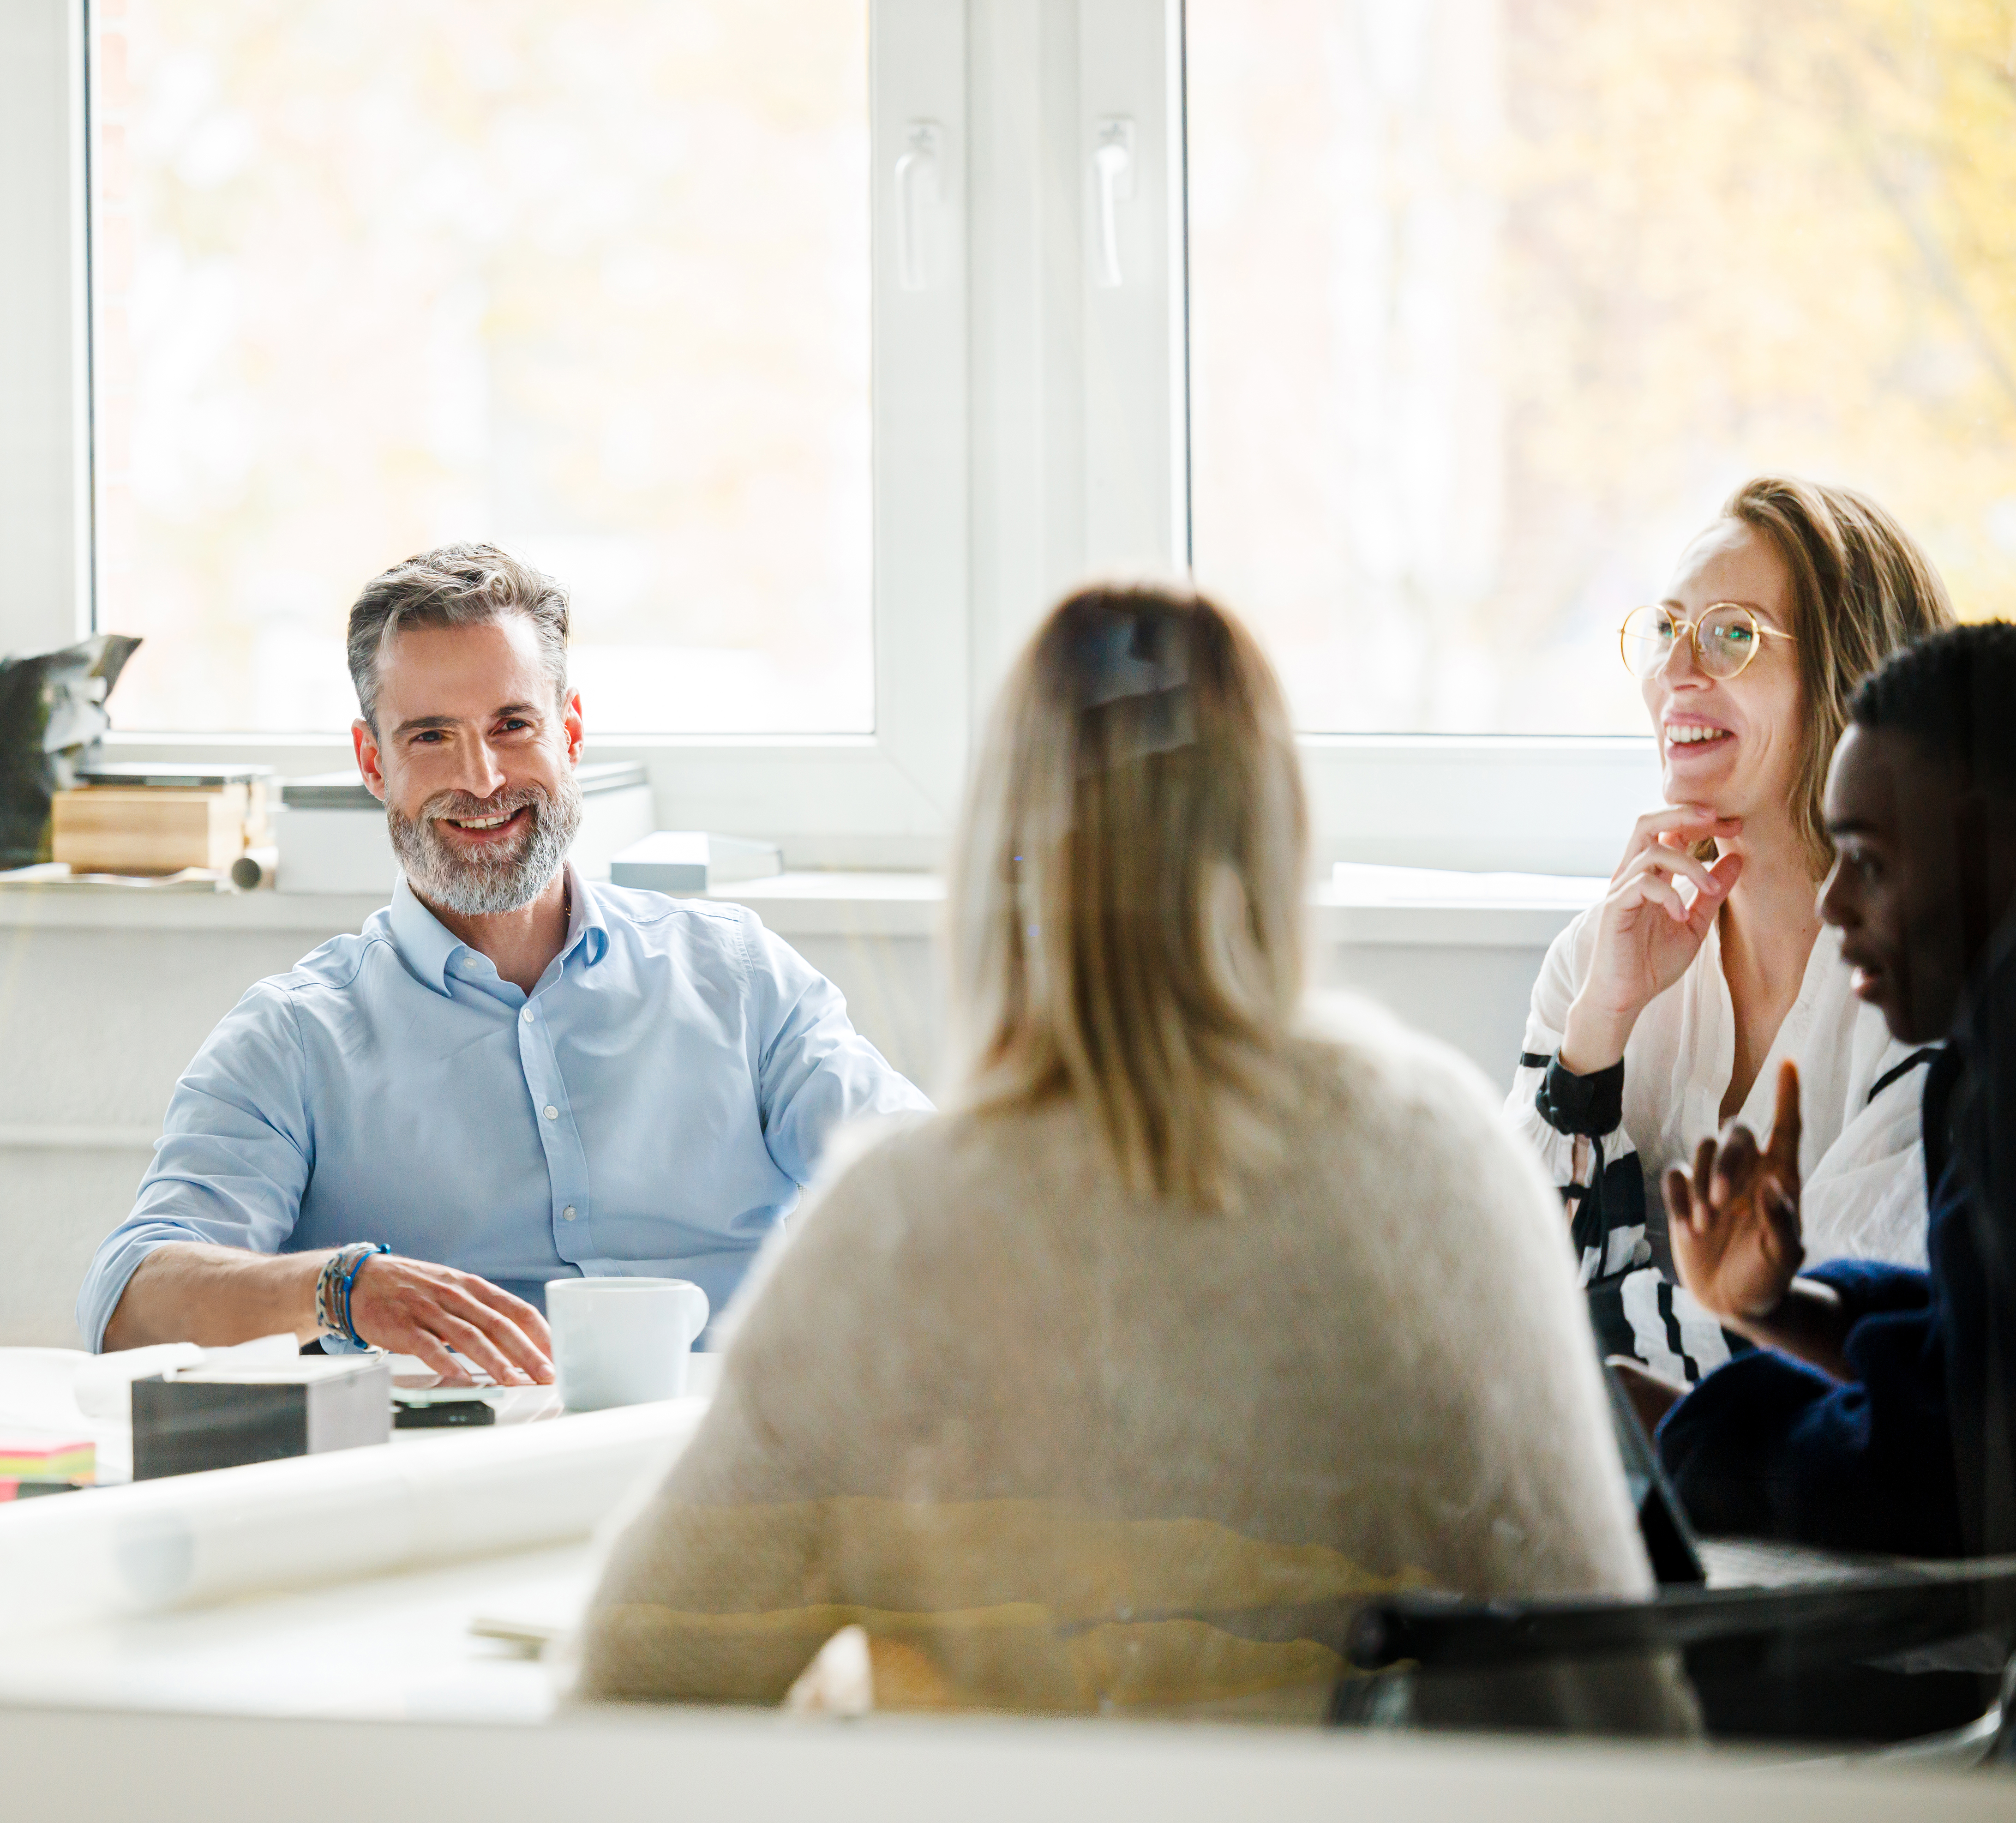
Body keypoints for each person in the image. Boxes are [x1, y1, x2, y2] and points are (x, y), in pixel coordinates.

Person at [572, 585, 1691, 1728]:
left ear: (998, 858)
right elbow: (1614, 1711)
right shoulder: (1432, 1170)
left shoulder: (892, 1231)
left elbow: (633, 1678)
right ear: (1279, 835)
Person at [80, 544, 927, 1380]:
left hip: (729, 1465)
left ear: (572, 731)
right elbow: (128, 1306)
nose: (482, 779)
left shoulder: (739, 980)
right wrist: (340, 1288)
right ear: (374, 762)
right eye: (432, 737)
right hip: (446, 1487)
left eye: (512, 725)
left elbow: (932, 1183)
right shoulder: (295, 1037)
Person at [1504, 478, 1953, 1384]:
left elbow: (1834, 1349)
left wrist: (1581, 1340)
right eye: (1668, 630)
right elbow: (1499, 1282)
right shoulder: (1597, 959)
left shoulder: (1938, 992)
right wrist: (1596, 1038)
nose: (1675, 673)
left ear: (1855, 681)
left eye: (1733, 634)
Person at [1644, 622, 2016, 1558]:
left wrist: (1701, 1441)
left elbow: (1951, 1474)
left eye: (1873, 864)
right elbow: (1969, 1355)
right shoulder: (1975, 1060)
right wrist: (1773, 1309)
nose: (1833, 904)